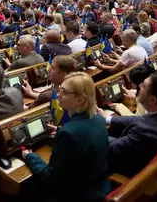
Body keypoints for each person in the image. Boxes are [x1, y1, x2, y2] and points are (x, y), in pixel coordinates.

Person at [22, 72, 110, 202]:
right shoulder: (98, 118)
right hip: (99, 186)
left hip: (77, 195)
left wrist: (31, 157)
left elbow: (51, 178)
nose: (58, 95)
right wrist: (60, 130)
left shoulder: (68, 133)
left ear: (81, 100)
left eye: (63, 92)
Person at [101, 73, 157, 177]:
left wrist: (93, 127)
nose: (139, 87)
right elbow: (140, 120)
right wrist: (107, 118)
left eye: (143, 86)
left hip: (135, 173)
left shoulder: (143, 131)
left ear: (153, 100)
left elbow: (111, 149)